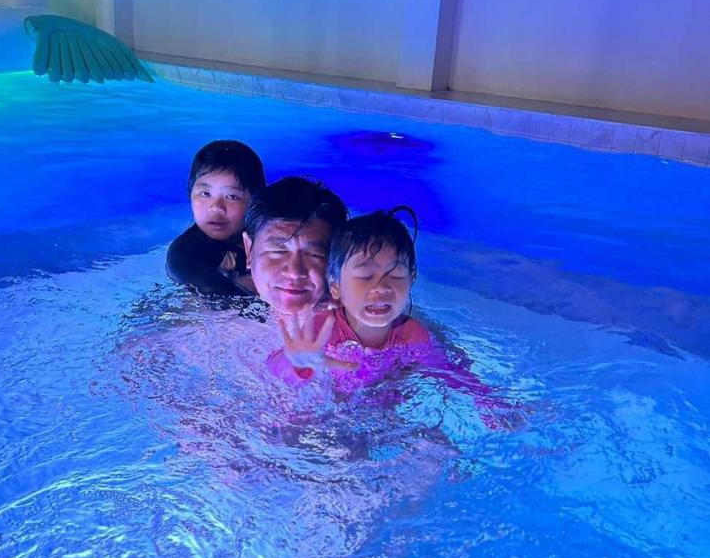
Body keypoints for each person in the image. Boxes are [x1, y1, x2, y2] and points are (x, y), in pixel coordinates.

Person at [271, 208, 523, 428]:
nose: (382, 287)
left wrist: (487, 399)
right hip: (325, 413)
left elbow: (447, 370)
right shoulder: (322, 329)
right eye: (365, 276)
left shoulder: (412, 335)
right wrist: (296, 363)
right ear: (336, 286)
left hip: (384, 413)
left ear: (411, 280)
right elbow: (276, 371)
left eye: (396, 275)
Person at [166, 140, 265, 298]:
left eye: (232, 196)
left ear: (255, 200)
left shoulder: (274, 232)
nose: (216, 207)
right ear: (190, 194)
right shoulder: (184, 256)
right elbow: (230, 304)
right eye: (205, 194)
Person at [242, 176, 348, 314]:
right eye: (278, 251)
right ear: (249, 250)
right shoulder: (220, 307)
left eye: (315, 255)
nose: (294, 273)